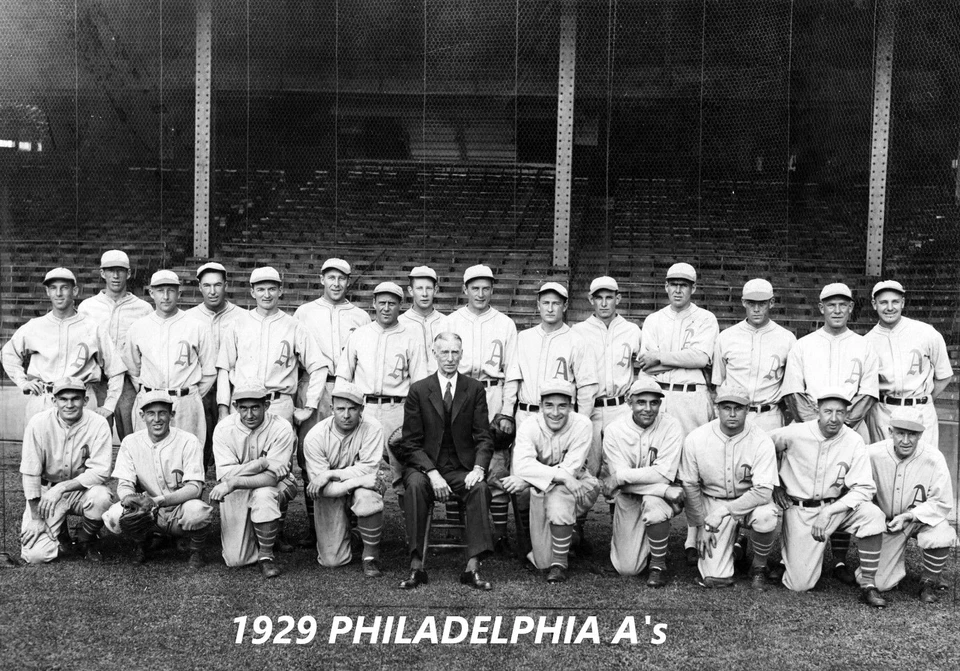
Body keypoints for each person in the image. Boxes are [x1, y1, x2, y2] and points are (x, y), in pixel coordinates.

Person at [780, 282, 880, 585]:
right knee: (811, 491)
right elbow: (794, 392)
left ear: (851, 308)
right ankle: (800, 548)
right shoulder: (803, 344)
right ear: (821, 308)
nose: (837, 310)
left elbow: (868, 394)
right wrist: (819, 426)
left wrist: (841, 427)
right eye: (831, 304)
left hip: (848, 429)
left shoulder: (863, 345)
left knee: (843, 489)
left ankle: (838, 560)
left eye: (843, 304)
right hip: (810, 430)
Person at [502, 282, 599, 556]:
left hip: (561, 417)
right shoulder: (523, 338)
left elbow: (588, 388)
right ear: (538, 305)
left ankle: (572, 533)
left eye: (556, 303)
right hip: (527, 412)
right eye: (545, 302)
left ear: (565, 306)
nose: (550, 308)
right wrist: (507, 412)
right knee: (523, 477)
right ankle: (528, 542)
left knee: (567, 476)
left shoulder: (577, 340)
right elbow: (513, 378)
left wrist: (577, 424)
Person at [768, 389, 889, 607]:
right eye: (828, 411)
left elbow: (864, 487)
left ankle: (869, 584)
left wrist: (830, 511)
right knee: (800, 584)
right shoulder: (794, 432)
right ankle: (789, 559)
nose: (834, 418)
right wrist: (775, 484)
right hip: (800, 509)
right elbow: (762, 450)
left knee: (872, 514)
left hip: (835, 508)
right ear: (817, 411)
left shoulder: (854, 440)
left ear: (846, 414)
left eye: (840, 412)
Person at [395, 332, 495, 590]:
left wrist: (479, 468)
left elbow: (484, 437)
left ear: (461, 354)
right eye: (444, 352)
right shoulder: (419, 389)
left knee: (480, 488)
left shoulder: (474, 389)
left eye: (455, 353)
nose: (450, 358)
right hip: (425, 467)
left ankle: (472, 567)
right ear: (435, 354)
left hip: (461, 468)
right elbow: (410, 442)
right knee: (415, 487)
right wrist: (431, 471)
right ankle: (417, 565)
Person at [637, 262, 719, 564]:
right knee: (659, 463)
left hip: (691, 397)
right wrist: (669, 359)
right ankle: (655, 529)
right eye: (673, 283)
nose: (677, 289)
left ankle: (694, 532)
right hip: (660, 395)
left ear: (693, 288)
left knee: (692, 467)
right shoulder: (654, 319)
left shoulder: (706, 318)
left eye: (684, 284)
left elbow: (701, 357)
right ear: (666, 286)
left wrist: (662, 356)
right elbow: (647, 363)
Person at [294, 257, 370, 548]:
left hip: (348, 386)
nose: (336, 284)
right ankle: (315, 527)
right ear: (321, 279)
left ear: (348, 282)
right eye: (331, 278)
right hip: (315, 386)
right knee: (310, 454)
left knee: (348, 454)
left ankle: (348, 523)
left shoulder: (360, 316)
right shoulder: (305, 312)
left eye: (341, 278)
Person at [679, 383, 780, 590]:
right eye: (726, 407)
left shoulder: (761, 440)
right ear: (717, 408)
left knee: (767, 516)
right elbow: (690, 485)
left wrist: (723, 513)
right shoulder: (697, 438)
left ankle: (758, 567)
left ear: (748, 409)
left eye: (738, 408)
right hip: (712, 501)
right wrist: (700, 525)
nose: (732, 414)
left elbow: (763, 491)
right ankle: (734, 548)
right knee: (716, 577)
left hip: (749, 503)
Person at [446, 264, 518, 549]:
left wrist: (507, 411)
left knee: (496, 462)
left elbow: (512, 371)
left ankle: (499, 532)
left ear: (492, 290)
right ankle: (455, 527)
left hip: (493, 391)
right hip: (460, 391)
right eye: (474, 288)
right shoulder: (451, 321)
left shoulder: (505, 323)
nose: (480, 293)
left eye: (486, 288)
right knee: (455, 456)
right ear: (465, 289)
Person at [501, 380, 601, 583]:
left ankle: (560, 563)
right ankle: (568, 537)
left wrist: (529, 480)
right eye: (549, 405)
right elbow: (521, 466)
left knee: (557, 499)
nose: (555, 412)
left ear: (571, 407)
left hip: (580, 485)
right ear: (540, 407)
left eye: (562, 405)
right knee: (541, 561)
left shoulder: (582, 423)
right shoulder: (529, 424)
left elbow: (570, 469)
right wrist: (554, 477)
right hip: (547, 486)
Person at [102, 390, 214, 567]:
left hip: (179, 509)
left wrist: (159, 501)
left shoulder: (188, 441)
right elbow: (124, 483)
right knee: (116, 513)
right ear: (142, 416)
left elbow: (195, 487)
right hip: (147, 511)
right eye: (150, 413)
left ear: (172, 414)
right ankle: (141, 544)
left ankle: (195, 550)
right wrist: (129, 499)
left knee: (199, 511)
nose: (157, 419)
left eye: (162, 412)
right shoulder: (130, 442)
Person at [2, 267, 125, 424]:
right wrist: (23, 381)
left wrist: (109, 405)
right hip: (44, 399)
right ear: (47, 292)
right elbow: (8, 354)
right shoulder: (35, 326)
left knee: (82, 449)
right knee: (39, 447)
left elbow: (116, 369)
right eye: (53, 288)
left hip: (80, 400)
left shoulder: (92, 327)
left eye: (64, 288)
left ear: (74, 291)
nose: (58, 293)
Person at [337, 281, 428, 491]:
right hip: (364, 407)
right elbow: (343, 376)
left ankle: (410, 521)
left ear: (400, 306)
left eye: (392, 303)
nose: (386, 308)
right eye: (382, 303)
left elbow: (419, 383)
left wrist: (415, 417)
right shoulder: (360, 334)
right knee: (357, 468)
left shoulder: (411, 336)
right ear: (374, 304)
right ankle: (359, 521)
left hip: (397, 409)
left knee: (403, 470)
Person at [18, 377, 114, 563]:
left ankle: (86, 540)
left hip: (82, 490)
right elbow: (30, 472)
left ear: (85, 401)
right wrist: (36, 518)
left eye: (75, 398)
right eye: (63, 399)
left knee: (102, 498)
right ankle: (61, 535)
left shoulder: (99, 423)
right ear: (54, 401)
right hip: (47, 493)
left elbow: (101, 471)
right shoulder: (38, 423)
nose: (69, 404)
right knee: (35, 555)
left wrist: (61, 488)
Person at [866, 409, 956, 603]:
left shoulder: (934, 457)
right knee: (881, 584)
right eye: (900, 433)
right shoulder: (872, 453)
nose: (906, 440)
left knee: (942, 533)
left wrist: (910, 516)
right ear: (890, 432)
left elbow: (942, 502)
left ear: (920, 435)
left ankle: (929, 581)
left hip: (919, 520)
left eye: (912, 434)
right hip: (889, 524)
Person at [602, 376, 684, 587]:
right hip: (629, 498)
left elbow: (664, 473)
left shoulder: (672, 425)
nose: (648, 408)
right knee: (627, 569)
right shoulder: (614, 430)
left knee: (653, 502)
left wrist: (621, 477)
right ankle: (646, 542)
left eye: (654, 402)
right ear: (629, 402)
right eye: (641, 402)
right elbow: (623, 484)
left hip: (654, 497)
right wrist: (665, 490)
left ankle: (658, 564)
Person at [210, 386, 298, 578]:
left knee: (264, 494)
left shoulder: (281, 426)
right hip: (236, 489)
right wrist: (262, 463)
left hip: (273, 485)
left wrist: (234, 482)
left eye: (255, 408)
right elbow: (225, 475)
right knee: (236, 560)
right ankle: (262, 532)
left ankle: (266, 556)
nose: (249, 414)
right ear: (235, 406)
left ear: (266, 405)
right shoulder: (224, 429)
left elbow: (273, 477)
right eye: (244, 408)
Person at [302, 381, 385, 577]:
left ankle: (370, 557)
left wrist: (330, 473)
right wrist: (357, 480)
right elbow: (324, 490)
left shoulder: (372, 427)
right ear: (331, 409)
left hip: (357, 488)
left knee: (368, 495)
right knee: (332, 561)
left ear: (361, 409)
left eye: (352, 409)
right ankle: (352, 533)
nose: (346, 415)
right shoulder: (315, 436)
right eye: (340, 409)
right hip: (331, 494)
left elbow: (369, 470)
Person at [124, 270, 215, 444]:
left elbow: (209, 372)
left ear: (179, 293)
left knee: (188, 456)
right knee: (148, 457)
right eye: (160, 290)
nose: (165, 296)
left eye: (171, 290)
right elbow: (133, 370)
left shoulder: (197, 326)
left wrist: (189, 393)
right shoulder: (138, 327)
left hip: (186, 403)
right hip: (150, 401)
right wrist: (149, 391)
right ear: (151, 293)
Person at [864, 280, 954, 448]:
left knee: (923, 467)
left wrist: (924, 400)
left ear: (903, 303)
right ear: (874, 304)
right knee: (884, 467)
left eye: (895, 302)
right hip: (883, 412)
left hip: (920, 410)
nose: (890, 308)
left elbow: (944, 375)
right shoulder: (866, 342)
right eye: (883, 302)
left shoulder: (926, 332)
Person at [570, 276, 642, 478]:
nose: (603, 303)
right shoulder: (578, 331)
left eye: (608, 297)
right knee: (585, 470)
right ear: (590, 299)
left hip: (620, 407)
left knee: (619, 467)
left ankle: (616, 510)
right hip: (589, 407)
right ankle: (581, 509)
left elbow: (644, 365)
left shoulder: (631, 330)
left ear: (617, 298)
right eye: (598, 297)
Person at [77, 250, 153, 439]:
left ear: (128, 273)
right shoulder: (88, 306)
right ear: (102, 273)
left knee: (131, 435)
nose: (116, 275)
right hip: (95, 381)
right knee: (93, 437)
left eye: (120, 270)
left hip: (127, 382)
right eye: (110, 270)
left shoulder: (143, 308)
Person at [712, 278, 796, 432]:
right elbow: (719, 381)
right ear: (743, 302)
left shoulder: (787, 338)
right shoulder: (726, 336)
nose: (756, 309)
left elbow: (790, 386)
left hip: (770, 416)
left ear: (771, 303)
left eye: (762, 303)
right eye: (751, 303)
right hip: (734, 414)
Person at [186, 261, 242, 471]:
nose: (212, 291)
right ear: (199, 287)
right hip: (202, 389)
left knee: (232, 446)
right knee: (200, 446)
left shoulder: (242, 316)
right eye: (207, 285)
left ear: (226, 285)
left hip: (233, 387)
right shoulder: (189, 317)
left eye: (217, 285)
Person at [399, 265, 448, 375]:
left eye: (429, 288)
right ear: (411, 291)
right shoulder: (400, 323)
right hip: (410, 387)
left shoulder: (446, 322)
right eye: (419, 288)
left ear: (435, 290)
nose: (424, 294)